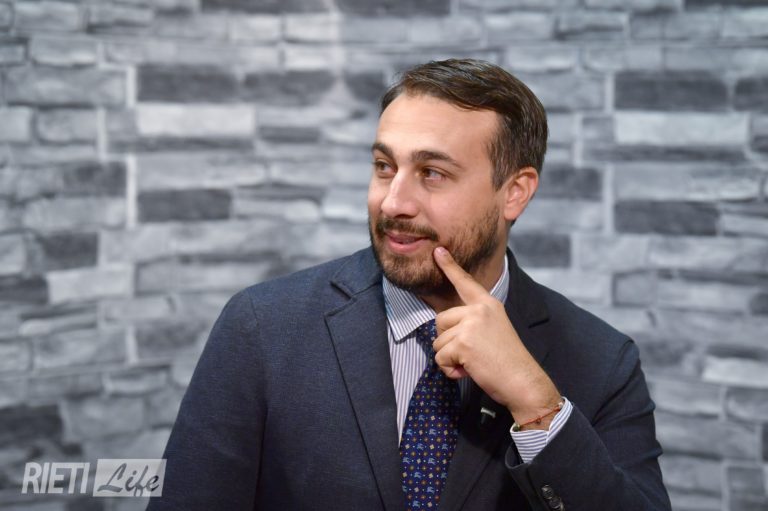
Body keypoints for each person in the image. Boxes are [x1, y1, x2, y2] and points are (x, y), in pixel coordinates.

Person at [148, 59, 671, 511]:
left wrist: (538, 409)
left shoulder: (603, 363)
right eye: (384, 167)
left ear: (514, 192)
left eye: (432, 173)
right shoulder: (263, 328)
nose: (394, 202)